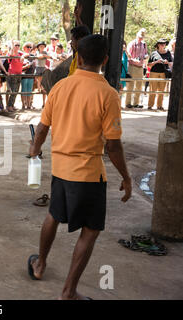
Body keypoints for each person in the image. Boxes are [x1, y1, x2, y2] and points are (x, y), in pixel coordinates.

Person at [27, 34, 131, 300]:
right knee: (91, 229)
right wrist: (126, 177)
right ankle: (69, 292)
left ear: (78, 58)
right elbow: (113, 146)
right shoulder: (108, 94)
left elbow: (41, 129)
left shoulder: (60, 87)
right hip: (88, 173)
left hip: (61, 168)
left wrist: (34, 150)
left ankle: (39, 265)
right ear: (106, 60)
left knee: (54, 214)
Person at [147, 39, 173, 111]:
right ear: (158, 45)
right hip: (154, 73)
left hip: (164, 73)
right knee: (153, 90)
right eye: (161, 43)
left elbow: (171, 63)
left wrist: (167, 62)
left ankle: (159, 105)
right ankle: (150, 105)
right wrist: (156, 62)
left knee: (161, 90)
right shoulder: (153, 53)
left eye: (164, 43)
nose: (163, 45)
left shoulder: (168, 53)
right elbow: (148, 65)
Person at [126, 28, 148, 109]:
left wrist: (145, 57)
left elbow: (146, 54)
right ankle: (128, 103)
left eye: (142, 37)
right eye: (139, 37)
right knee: (130, 85)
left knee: (139, 86)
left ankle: (136, 103)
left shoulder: (144, 44)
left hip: (140, 67)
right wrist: (134, 59)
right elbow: (128, 55)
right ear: (136, 36)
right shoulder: (131, 44)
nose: (140, 38)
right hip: (132, 66)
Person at [6, 40, 24, 112]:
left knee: (16, 91)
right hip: (12, 74)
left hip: (19, 74)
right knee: (13, 91)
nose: (17, 47)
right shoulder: (10, 53)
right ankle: (9, 105)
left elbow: (27, 54)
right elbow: (10, 55)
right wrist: (12, 45)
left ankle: (12, 105)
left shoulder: (20, 53)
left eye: (18, 45)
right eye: (15, 45)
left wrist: (22, 56)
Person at [34, 41, 51, 109]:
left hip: (43, 67)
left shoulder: (45, 52)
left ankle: (44, 102)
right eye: (41, 46)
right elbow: (38, 57)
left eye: (43, 46)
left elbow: (49, 57)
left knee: (43, 83)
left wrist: (44, 56)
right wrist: (44, 56)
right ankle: (38, 88)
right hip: (38, 67)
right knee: (39, 80)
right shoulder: (37, 52)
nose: (42, 47)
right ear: (38, 47)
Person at [21, 42, 35, 110]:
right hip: (24, 75)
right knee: (24, 90)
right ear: (24, 48)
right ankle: (23, 104)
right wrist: (25, 67)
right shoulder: (21, 55)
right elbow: (19, 66)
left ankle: (29, 104)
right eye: (27, 47)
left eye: (30, 47)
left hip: (31, 74)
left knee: (29, 90)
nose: (29, 48)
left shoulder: (32, 56)